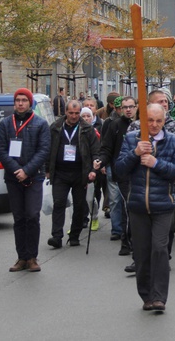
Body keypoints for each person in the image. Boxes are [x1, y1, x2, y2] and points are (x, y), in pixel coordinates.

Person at [114, 104, 175, 312]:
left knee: (159, 248)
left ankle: (159, 297)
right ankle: (146, 295)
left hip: (163, 206)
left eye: (158, 121)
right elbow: (119, 170)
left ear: (164, 121)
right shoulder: (131, 139)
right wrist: (135, 153)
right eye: (150, 120)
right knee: (141, 252)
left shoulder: (173, 141)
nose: (154, 125)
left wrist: (156, 163)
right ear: (143, 121)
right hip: (138, 205)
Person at [0, 88, 51, 272]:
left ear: (30, 103)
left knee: (32, 216)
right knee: (18, 218)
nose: (20, 103)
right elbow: (2, 150)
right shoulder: (5, 124)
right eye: (18, 100)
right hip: (13, 178)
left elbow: (43, 150)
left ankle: (32, 258)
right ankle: (22, 257)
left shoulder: (40, 124)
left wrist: (27, 171)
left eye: (24, 100)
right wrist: (16, 170)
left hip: (33, 177)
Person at [47, 100, 100, 248]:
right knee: (58, 203)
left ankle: (75, 235)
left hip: (80, 173)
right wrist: (47, 169)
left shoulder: (87, 129)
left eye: (77, 113)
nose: (74, 116)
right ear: (66, 112)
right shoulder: (56, 127)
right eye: (71, 113)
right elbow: (49, 149)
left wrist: (93, 169)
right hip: (60, 173)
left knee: (79, 205)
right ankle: (56, 236)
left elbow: (95, 150)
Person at [96, 96, 136, 250]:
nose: (127, 109)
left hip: (139, 172)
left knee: (134, 206)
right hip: (121, 171)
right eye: (125, 107)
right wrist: (101, 161)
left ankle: (134, 239)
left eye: (130, 106)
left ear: (135, 107)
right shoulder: (115, 125)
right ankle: (125, 240)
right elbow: (106, 148)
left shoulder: (141, 125)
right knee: (125, 204)